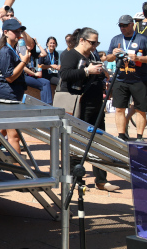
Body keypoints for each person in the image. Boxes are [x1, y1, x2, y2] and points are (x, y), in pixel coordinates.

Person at [59, 27, 118, 192]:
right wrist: (87, 71)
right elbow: (65, 75)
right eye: (92, 42)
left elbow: (96, 74)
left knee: (100, 142)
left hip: (96, 104)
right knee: (78, 143)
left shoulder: (92, 54)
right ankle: (74, 179)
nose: (95, 46)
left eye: (97, 42)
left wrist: (103, 74)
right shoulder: (71, 55)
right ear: (82, 40)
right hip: (80, 104)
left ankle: (101, 180)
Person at [104, 15, 147, 141]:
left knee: (140, 110)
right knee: (119, 108)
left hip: (139, 79)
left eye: (124, 25)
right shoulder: (116, 39)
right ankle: (121, 136)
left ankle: (139, 137)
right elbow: (108, 58)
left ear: (132, 24)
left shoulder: (142, 39)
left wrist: (138, 58)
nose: (122, 28)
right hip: (120, 79)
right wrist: (114, 54)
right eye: (120, 25)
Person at [0, 18, 30, 152]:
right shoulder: (5, 51)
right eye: (15, 31)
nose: (19, 34)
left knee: (1, 132)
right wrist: (24, 61)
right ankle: (19, 169)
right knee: (13, 135)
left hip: (10, 94)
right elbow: (9, 77)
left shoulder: (10, 50)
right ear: (6, 32)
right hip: (8, 95)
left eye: (19, 31)